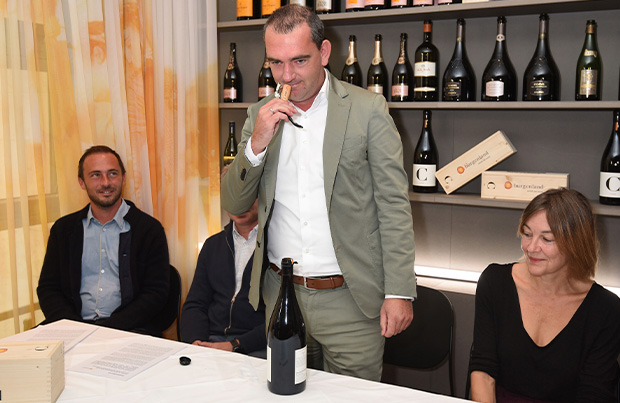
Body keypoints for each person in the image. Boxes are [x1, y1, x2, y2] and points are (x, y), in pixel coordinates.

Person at [220, 4, 416, 381]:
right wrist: (256, 144)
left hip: (352, 299)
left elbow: (393, 206)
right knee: (287, 391)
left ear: (324, 52)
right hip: (281, 295)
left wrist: (399, 291)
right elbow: (234, 203)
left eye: (299, 60)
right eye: (276, 63)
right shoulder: (259, 115)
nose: (287, 75)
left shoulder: (368, 109)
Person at [470, 188, 620, 402]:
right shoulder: (495, 283)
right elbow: (483, 372)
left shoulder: (606, 309)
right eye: (527, 234)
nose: (531, 247)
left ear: (576, 243)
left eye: (547, 239)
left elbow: (593, 394)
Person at [37, 145, 170, 336]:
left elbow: (156, 293)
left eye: (112, 174)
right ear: (82, 182)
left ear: (123, 178)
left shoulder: (149, 230)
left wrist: (106, 331)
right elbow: (48, 289)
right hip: (72, 329)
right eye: (96, 175)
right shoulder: (63, 230)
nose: (106, 182)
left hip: (129, 331)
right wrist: (76, 329)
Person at [180, 198, 266, 357]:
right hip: (210, 341)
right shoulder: (212, 245)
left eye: (247, 193)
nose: (240, 202)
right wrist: (196, 341)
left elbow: (281, 318)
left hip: (257, 345)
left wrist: (234, 345)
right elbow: (195, 304)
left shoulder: (278, 247)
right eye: (233, 194)